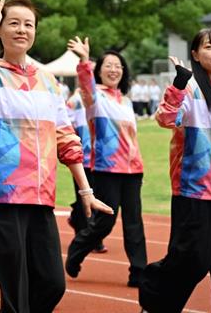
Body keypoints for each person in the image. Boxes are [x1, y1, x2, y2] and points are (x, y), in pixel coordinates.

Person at [0, 0, 112, 313]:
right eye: (13, 23)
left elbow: (66, 137)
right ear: (0, 30)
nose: (22, 30)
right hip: (4, 197)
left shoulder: (48, 82)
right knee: (16, 293)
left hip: (42, 197)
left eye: (28, 24)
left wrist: (86, 191)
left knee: (52, 284)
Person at [138, 29, 211, 313]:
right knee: (193, 260)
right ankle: (155, 300)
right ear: (195, 55)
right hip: (194, 193)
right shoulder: (189, 90)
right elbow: (166, 119)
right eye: (209, 46)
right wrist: (179, 84)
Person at [65, 37, 147, 287]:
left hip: (133, 170)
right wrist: (84, 60)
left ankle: (138, 272)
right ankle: (77, 249)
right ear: (99, 71)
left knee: (134, 223)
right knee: (105, 222)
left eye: (118, 66)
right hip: (107, 169)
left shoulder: (127, 101)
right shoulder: (94, 98)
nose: (114, 70)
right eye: (108, 66)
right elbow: (86, 85)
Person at [66, 87, 107, 254]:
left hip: (100, 160)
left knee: (97, 196)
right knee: (85, 197)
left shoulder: (102, 98)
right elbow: (66, 128)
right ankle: (90, 238)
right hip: (82, 159)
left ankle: (77, 219)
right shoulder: (74, 102)